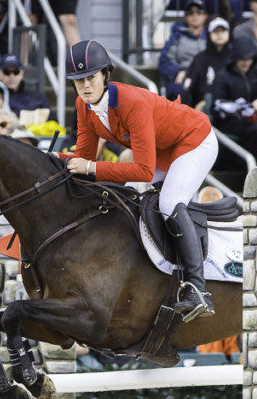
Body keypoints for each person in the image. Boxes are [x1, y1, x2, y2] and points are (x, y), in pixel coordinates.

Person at [58, 40, 219, 320]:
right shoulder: (83, 107)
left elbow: (143, 170)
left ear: (106, 75)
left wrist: (91, 167)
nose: (84, 86)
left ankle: (197, 290)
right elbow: (82, 158)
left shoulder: (133, 102)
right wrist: (49, 158)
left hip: (195, 141)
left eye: (90, 77)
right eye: (77, 80)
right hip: (163, 152)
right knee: (128, 199)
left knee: (169, 202)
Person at [211, 36, 257, 164]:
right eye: (242, 59)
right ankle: (254, 172)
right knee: (256, 130)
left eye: (249, 59)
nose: (246, 63)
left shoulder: (256, 72)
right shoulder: (223, 76)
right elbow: (216, 106)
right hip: (231, 123)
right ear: (235, 58)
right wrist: (235, 109)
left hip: (255, 118)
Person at [159, 0, 209, 100]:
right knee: (177, 91)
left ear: (205, 16)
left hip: (208, 75)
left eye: (199, 12)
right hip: (184, 74)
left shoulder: (212, 35)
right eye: (191, 12)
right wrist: (177, 71)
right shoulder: (177, 36)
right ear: (185, 17)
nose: (195, 15)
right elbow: (164, 61)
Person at [182, 17, 231, 109]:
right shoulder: (200, 58)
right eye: (216, 31)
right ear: (209, 34)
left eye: (223, 31)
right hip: (203, 105)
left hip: (229, 104)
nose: (219, 34)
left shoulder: (235, 58)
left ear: (229, 33)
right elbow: (188, 86)